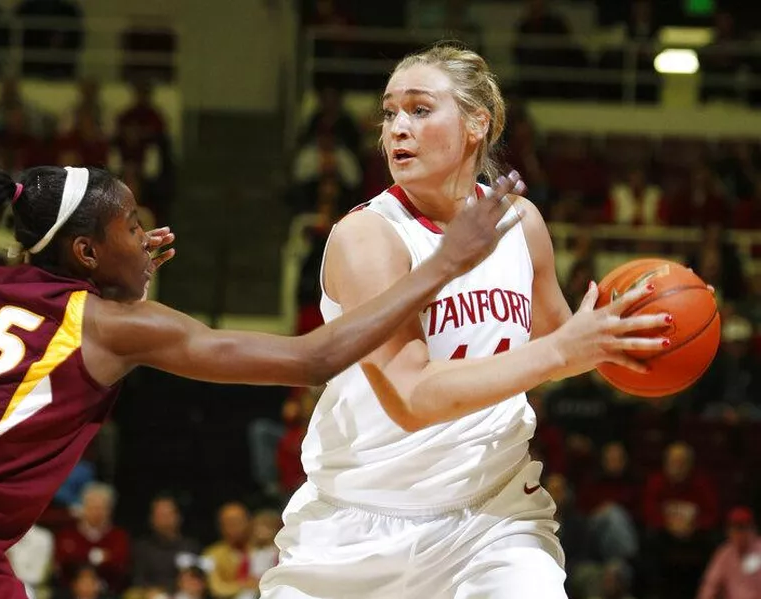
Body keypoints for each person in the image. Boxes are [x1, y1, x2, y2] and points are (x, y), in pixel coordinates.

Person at [0, 155, 525, 599]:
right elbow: (313, 360)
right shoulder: (111, 325)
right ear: (85, 252)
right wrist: (445, 261)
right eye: (132, 228)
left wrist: (117, 277)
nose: (146, 238)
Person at [259, 44, 669, 599]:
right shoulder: (368, 238)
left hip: (493, 517)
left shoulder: (522, 224)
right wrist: (564, 352)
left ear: (478, 123)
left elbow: (559, 349)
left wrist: (630, 333)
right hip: (358, 527)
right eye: (389, 112)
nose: (397, 128)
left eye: (420, 110)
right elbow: (411, 397)